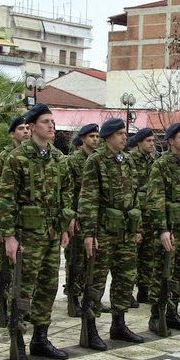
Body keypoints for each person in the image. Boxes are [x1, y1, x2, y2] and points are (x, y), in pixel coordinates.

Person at [0, 103, 73, 360]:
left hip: (51, 235)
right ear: (31, 127)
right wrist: (9, 236)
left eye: (52, 121)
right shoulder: (17, 158)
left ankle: (41, 337)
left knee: (47, 286)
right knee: (22, 289)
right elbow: (5, 200)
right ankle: (17, 338)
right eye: (45, 122)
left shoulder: (58, 158)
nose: (51, 126)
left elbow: (67, 194)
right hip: (26, 236)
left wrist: (63, 226)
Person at [77, 118, 144, 350]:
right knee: (96, 281)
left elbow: (135, 196)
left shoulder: (127, 161)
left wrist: (137, 227)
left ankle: (119, 323)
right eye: (120, 134)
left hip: (125, 231)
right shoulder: (96, 161)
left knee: (125, 279)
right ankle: (91, 328)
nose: (125, 137)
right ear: (108, 137)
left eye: (125, 134)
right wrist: (88, 233)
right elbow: (88, 199)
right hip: (103, 232)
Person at [146, 123, 180, 335]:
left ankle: (173, 311)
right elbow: (156, 199)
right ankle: (157, 315)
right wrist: (162, 229)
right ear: (170, 141)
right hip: (170, 229)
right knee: (162, 272)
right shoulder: (161, 165)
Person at [0, 116, 30, 325]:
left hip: (27, 223)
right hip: (8, 223)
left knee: (24, 269)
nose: (25, 132)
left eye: (26, 128)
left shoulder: (30, 155)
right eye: (20, 129)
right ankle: (2, 303)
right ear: (12, 133)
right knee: (5, 267)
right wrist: (2, 223)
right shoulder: (4, 157)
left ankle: (23, 307)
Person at [63, 123, 100, 317]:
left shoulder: (99, 159)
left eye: (97, 136)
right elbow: (68, 190)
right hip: (77, 218)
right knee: (75, 260)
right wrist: (71, 216)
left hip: (93, 217)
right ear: (83, 139)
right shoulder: (73, 161)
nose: (95, 139)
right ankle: (73, 297)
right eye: (91, 136)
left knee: (92, 261)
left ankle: (90, 297)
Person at [126, 128, 157, 306]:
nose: (152, 144)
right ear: (139, 143)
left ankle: (144, 289)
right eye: (148, 141)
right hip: (137, 216)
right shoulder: (131, 161)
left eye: (153, 141)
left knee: (148, 255)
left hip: (150, 215)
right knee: (132, 255)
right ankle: (128, 291)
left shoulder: (153, 161)